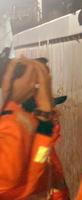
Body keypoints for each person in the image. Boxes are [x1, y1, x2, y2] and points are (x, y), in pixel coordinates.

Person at [0, 54, 54, 198]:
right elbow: (8, 181)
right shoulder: (13, 123)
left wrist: (45, 122)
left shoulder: (15, 118)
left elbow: (39, 159)